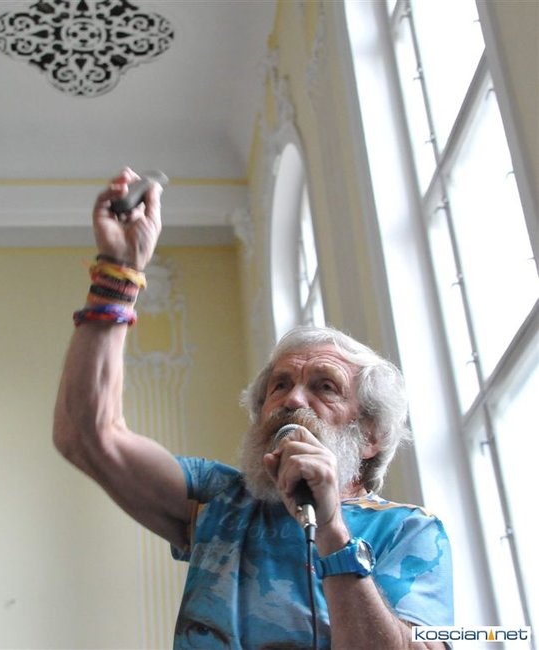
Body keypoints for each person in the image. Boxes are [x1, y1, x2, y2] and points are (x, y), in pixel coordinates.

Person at [54, 168, 453, 649]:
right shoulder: (221, 500)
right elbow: (88, 435)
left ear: (371, 435)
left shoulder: (409, 531)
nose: (292, 399)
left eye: (325, 387)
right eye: (279, 385)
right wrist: (118, 272)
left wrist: (331, 531)